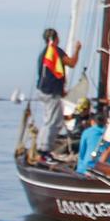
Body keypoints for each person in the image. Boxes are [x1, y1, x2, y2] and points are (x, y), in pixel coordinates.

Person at [31, 28, 80, 156]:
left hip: (43, 91)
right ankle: (45, 151)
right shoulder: (55, 52)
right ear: (55, 38)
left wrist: (61, 89)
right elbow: (72, 63)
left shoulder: (44, 53)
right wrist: (77, 49)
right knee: (54, 122)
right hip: (51, 93)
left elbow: (50, 73)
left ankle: (41, 147)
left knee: (48, 121)